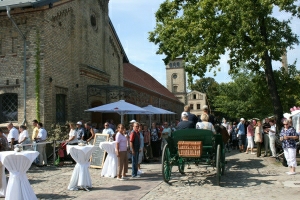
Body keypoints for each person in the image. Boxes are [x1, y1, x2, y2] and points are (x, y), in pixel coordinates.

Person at [0, 128, 8, 198]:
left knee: (1, 175)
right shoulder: (4, 137)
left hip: (1, 157)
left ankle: (2, 191)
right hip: (3, 157)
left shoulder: (1, 139)